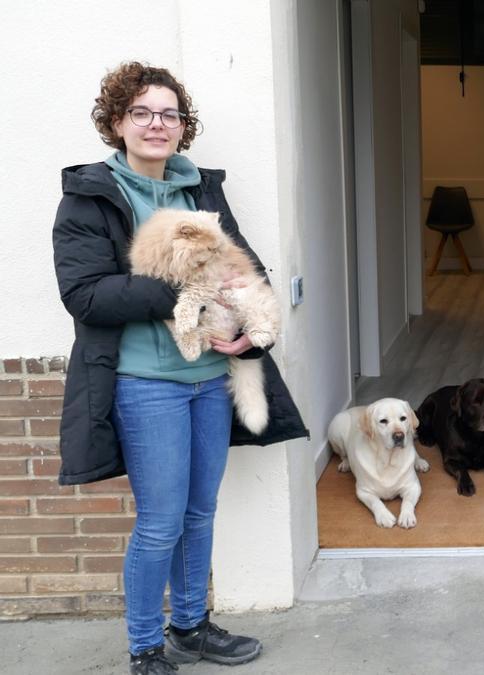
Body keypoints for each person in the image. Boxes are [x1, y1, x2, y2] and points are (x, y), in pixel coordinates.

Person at [52, 62, 307, 674]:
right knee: (161, 521)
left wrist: (248, 331)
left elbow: (246, 272)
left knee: (200, 512)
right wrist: (186, 288)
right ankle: (145, 647)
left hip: (209, 382)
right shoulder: (91, 195)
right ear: (117, 123)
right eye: (141, 112)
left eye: (169, 114)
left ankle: (190, 627)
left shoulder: (202, 191)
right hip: (147, 385)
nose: (156, 124)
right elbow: (85, 295)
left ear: (183, 127)